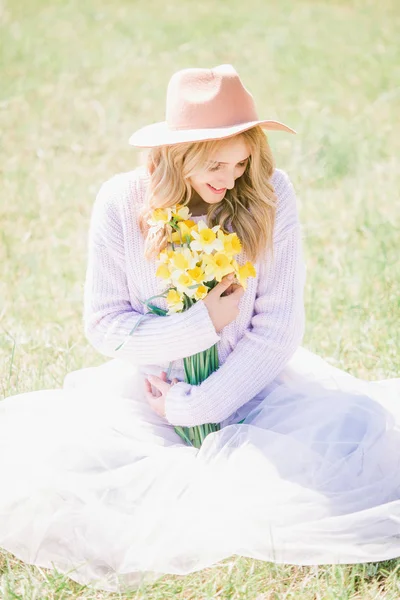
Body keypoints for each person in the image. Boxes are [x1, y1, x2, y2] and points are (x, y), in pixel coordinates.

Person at [1, 64, 400, 594]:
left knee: (353, 446)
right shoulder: (122, 202)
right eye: (217, 163)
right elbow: (105, 323)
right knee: (64, 477)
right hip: (150, 396)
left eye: (242, 161)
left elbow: (278, 328)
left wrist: (198, 405)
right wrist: (199, 326)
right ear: (176, 154)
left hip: (256, 387)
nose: (231, 177)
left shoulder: (269, 193)